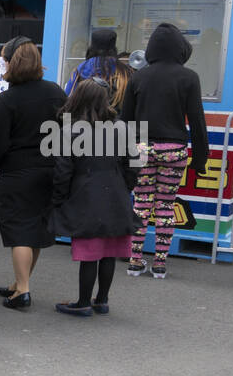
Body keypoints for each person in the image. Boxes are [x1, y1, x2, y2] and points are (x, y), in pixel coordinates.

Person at [121, 22, 208, 278]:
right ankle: (160, 263)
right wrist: (200, 159)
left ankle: (135, 260)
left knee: (141, 204)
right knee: (166, 207)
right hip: (174, 149)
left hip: (143, 148)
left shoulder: (139, 76)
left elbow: (126, 120)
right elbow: (197, 120)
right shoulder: (189, 77)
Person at [0, 37, 65, 309]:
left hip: (18, 173)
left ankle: (23, 291)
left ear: (11, 63)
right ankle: (19, 283)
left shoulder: (8, 98)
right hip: (50, 170)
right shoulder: (55, 92)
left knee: (19, 231)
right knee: (36, 231)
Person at [48, 79, 141, 316]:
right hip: (115, 192)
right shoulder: (122, 128)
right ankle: (101, 299)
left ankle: (82, 302)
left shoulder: (70, 130)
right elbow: (135, 165)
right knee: (109, 249)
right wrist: (125, 188)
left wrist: (59, 199)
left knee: (90, 251)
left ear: (77, 98)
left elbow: (62, 170)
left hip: (84, 194)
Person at [64, 28, 132, 112]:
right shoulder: (123, 71)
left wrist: (66, 124)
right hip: (114, 120)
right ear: (114, 47)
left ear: (92, 46)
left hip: (85, 120)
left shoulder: (82, 68)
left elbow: (68, 100)